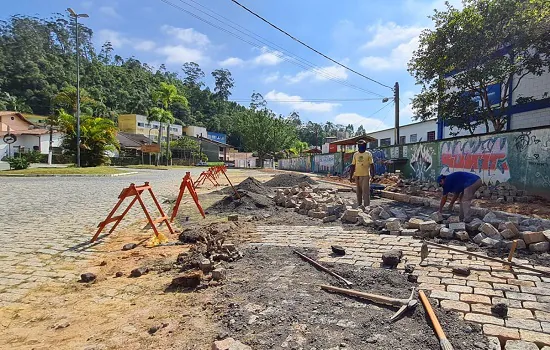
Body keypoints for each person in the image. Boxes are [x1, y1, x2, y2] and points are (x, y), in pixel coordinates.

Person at [349, 139, 375, 208]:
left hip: (365, 175)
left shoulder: (368, 154)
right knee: (358, 192)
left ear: (365, 146)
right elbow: (353, 165)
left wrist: (373, 175)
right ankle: (359, 206)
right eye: (359, 146)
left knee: (365, 192)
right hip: (357, 175)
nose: (361, 147)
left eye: (362, 146)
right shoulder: (355, 154)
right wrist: (351, 176)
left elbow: (372, 164)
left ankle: (367, 207)